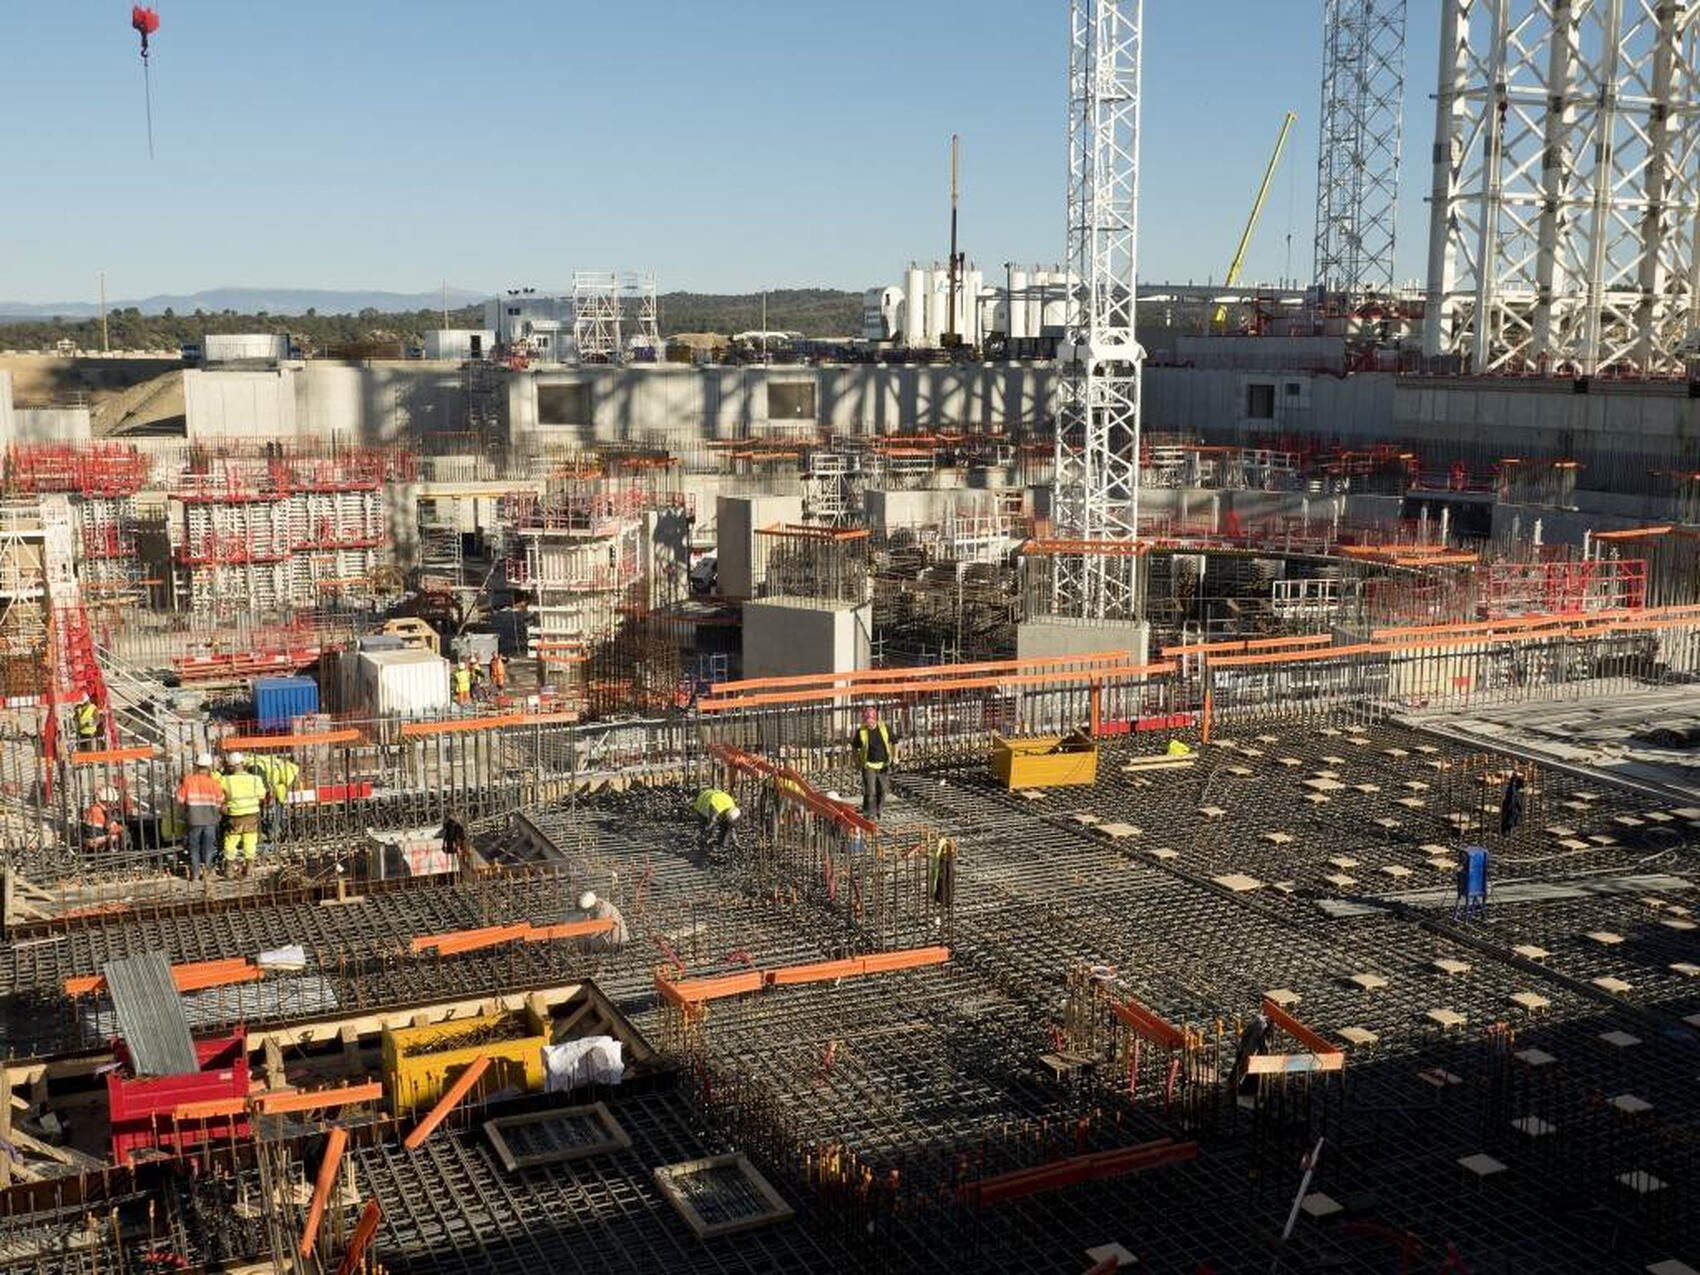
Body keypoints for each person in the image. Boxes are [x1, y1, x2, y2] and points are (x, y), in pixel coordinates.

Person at [175, 753, 224, 880]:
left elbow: (180, 800)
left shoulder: (188, 781)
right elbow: (220, 801)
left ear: (196, 766)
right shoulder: (214, 783)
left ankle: (195, 873)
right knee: (208, 847)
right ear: (209, 767)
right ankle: (207, 872)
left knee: (194, 846)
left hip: (193, 820)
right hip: (210, 820)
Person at [218, 751, 268, 875]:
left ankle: (229, 868)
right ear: (243, 764)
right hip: (252, 815)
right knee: (250, 841)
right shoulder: (255, 779)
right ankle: (249, 868)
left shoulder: (225, 780)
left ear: (230, 766)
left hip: (235, 815)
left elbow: (219, 796)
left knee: (231, 841)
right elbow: (262, 795)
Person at [244, 751, 300, 846]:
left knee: (269, 815)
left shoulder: (260, 762)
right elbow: (284, 780)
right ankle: (272, 834)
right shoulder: (289, 768)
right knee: (272, 816)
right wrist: (269, 792)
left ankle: (271, 834)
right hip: (272, 793)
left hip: (271, 792)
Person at [853, 706, 897, 820]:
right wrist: (857, 762)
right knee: (870, 790)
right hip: (869, 765)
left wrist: (895, 757)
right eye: (866, 721)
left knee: (882, 789)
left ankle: (879, 810)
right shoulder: (861, 731)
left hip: (883, 765)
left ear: (875, 719)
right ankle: (868, 813)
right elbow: (854, 747)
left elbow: (894, 742)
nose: (869, 723)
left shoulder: (884, 728)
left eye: (870, 721)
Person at [691, 786, 741, 854]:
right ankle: (703, 843)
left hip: (715, 798)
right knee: (705, 826)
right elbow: (711, 823)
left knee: (726, 827)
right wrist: (707, 835)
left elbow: (731, 826)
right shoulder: (715, 809)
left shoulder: (732, 805)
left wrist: (736, 841)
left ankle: (723, 845)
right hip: (703, 805)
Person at [81, 787, 124, 855]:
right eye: (113, 802)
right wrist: (121, 828)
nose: (114, 804)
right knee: (116, 836)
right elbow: (110, 828)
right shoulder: (101, 811)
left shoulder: (94, 808)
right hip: (95, 839)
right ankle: (113, 853)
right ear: (109, 801)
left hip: (87, 838)